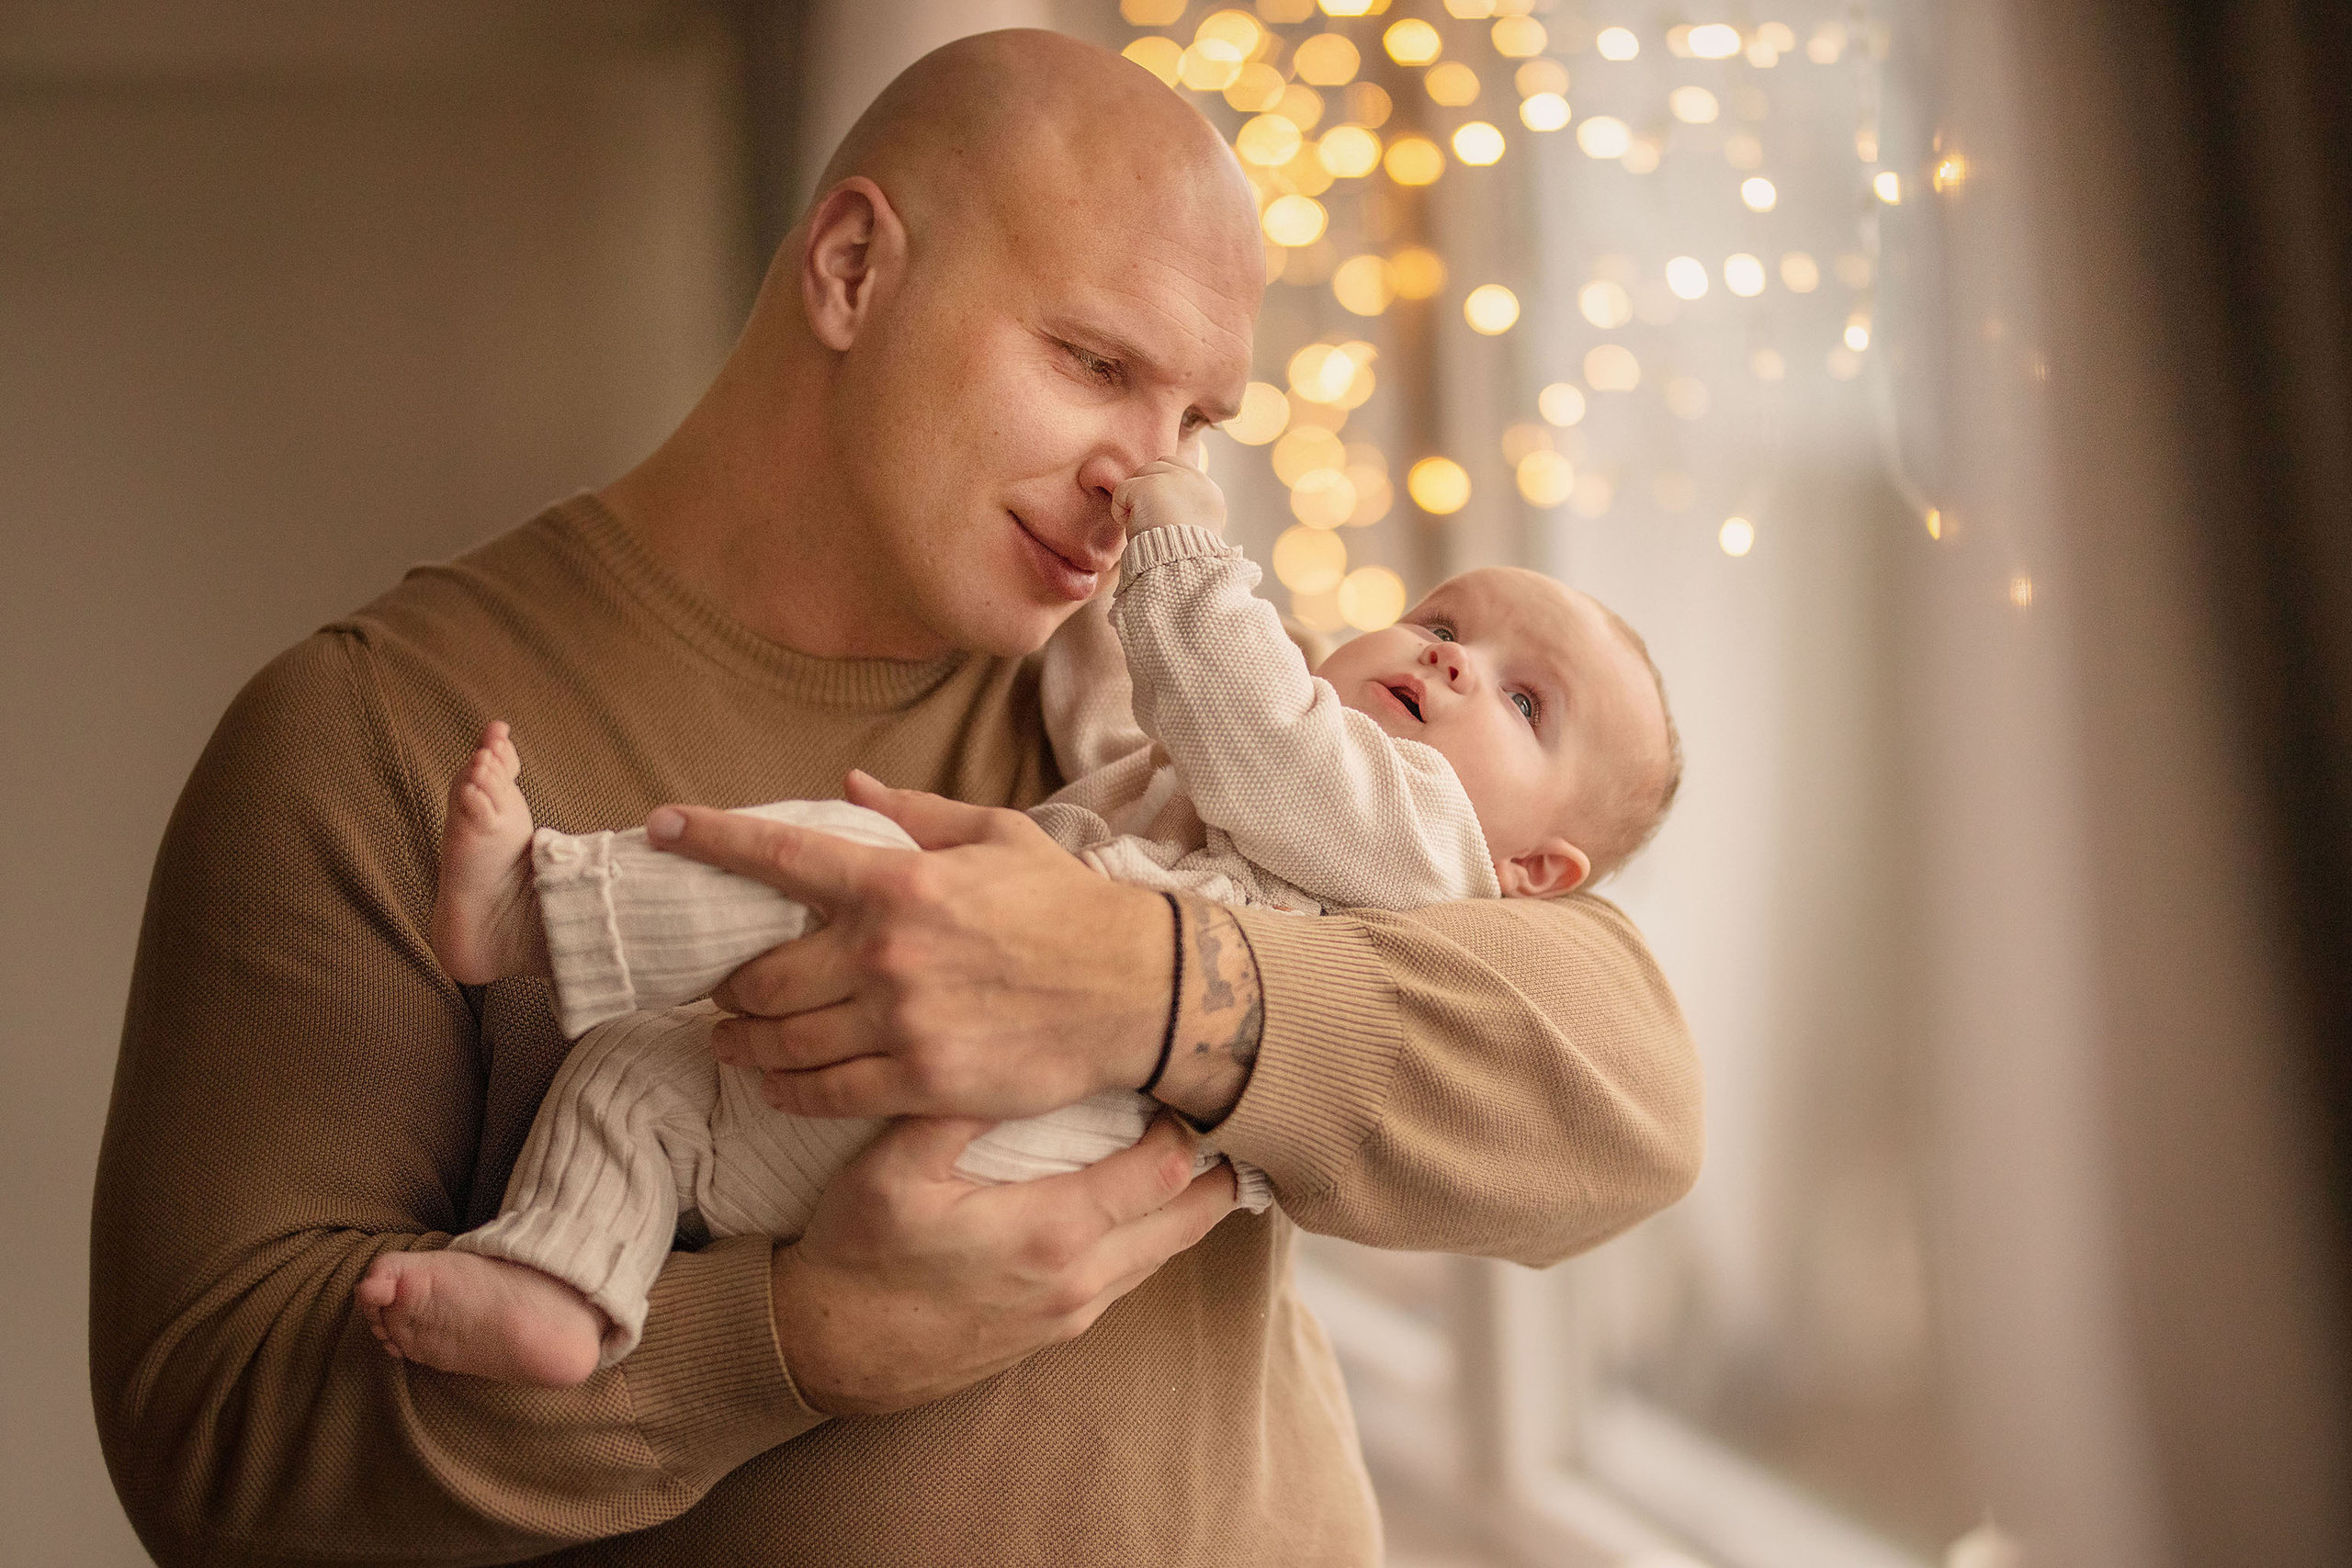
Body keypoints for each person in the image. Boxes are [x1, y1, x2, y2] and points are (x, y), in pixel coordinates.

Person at [91, 28, 1702, 1567]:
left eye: (1196, 421)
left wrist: (1137, 984)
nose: (1140, 482)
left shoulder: (1166, 685)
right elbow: (217, 1446)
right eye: (1092, 363)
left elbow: (1628, 1098)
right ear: (855, 271)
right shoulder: (371, 735)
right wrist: (792, 1341)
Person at [354, 457, 1682, 1385]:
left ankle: (535, 914)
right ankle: (559, 1284)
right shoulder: (1223, 788)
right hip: (851, 1141)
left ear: (1539, 877)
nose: (1453, 658)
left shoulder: (1417, 843)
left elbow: (1235, 705)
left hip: (1063, 1137)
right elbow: (1131, 703)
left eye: (1524, 702)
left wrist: (1172, 533)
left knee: (868, 862)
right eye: (1441, 621)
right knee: (640, 1071)